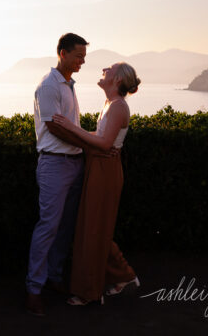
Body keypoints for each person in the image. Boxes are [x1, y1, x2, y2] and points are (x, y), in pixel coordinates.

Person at [52, 62, 141, 306]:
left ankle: (89, 292)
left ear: (118, 80)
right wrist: (78, 132)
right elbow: (101, 139)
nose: (104, 68)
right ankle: (124, 276)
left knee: (93, 229)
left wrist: (70, 127)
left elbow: (104, 144)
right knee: (93, 227)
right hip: (100, 166)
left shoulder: (118, 107)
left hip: (105, 170)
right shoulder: (111, 105)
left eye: (109, 68)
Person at [24, 33, 89, 317]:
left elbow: (70, 126)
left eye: (84, 56)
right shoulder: (49, 86)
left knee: (65, 226)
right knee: (48, 226)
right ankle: (33, 290)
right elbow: (55, 128)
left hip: (74, 163)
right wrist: (91, 144)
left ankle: (54, 277)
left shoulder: (69, 85)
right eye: (78, 56)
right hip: (54, 165)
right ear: (62, 53)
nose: (82, 61)